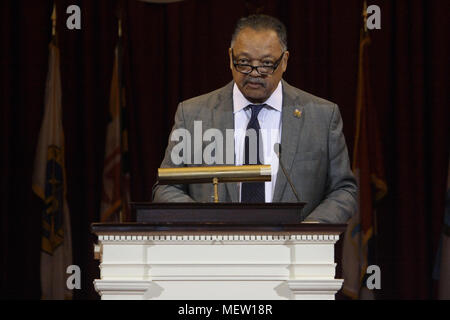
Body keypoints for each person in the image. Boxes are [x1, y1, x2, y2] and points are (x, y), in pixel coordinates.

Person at [152, 14, 357, 223]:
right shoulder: (193, 114)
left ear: (284, 61)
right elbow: (167, 187)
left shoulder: (321, 116)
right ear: (230, 57)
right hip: (215, 249)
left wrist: (311, 231)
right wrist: (204, 222)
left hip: (294, 250)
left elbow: (343, 189)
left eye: (267, 64)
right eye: (244, 62)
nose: (254, 73)